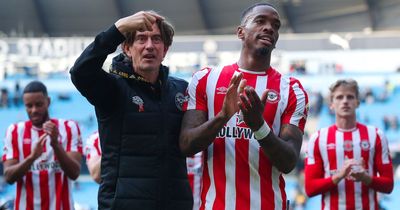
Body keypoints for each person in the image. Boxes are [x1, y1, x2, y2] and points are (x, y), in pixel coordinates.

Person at [180, 3, 309, 210]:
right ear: (240, 32)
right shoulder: (205, 79)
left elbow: (289, 162)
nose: (269, 28)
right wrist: (223, 116)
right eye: (260, 21)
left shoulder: (291, 90)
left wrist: (259, 126)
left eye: (275, 26)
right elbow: (187, 145)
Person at [70, 11, 193, 210]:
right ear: (127, 48)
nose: (150, 46)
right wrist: (117, 29)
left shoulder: (182, 90)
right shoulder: (113, 88)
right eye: (141, 39)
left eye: (157, 39)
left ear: (165, 49)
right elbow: (80, 72)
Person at [304, 79, 394, 210]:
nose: (345, 101)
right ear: (331, 104)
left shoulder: (376, 135)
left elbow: (388, 185)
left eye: (350, 97)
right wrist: (340, 175)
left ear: (357, 102)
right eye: (339, 97)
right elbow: (310, 189)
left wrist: (364, 177)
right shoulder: (318, 138)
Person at [2, 80, 83, 210]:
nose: (34, 110)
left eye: (39, 104)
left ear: (48, 102)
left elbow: (74, 173)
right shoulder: (15, 131)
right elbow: (9, 177)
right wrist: (32, 157)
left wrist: (56, 144)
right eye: (29, 106)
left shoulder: (69, 128)